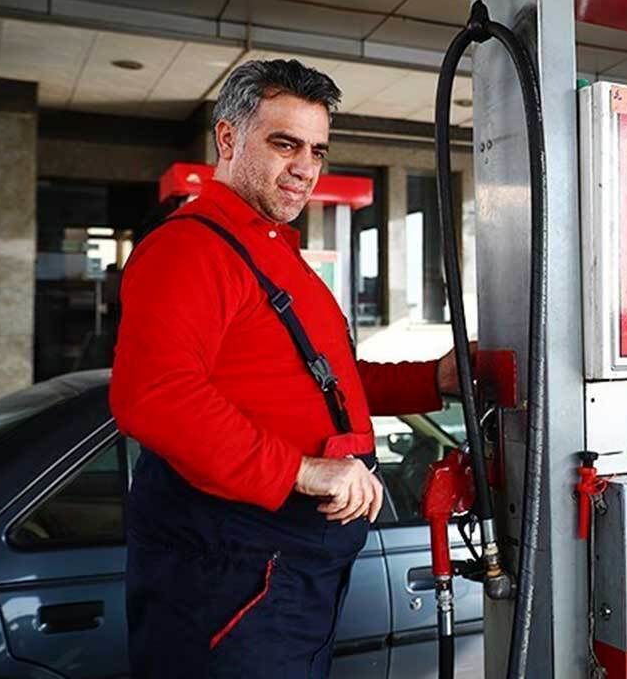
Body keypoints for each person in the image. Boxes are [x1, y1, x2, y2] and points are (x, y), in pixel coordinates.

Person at [110, 59, 466, 678]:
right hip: (237, 577)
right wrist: (302, 471)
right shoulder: (189, 248)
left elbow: (329, 383)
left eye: (317, 150)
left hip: (289, 573)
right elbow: (155, 396)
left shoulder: (272, 249)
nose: (306, 167)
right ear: (228, 139)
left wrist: (432, 379)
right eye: (285, 144)